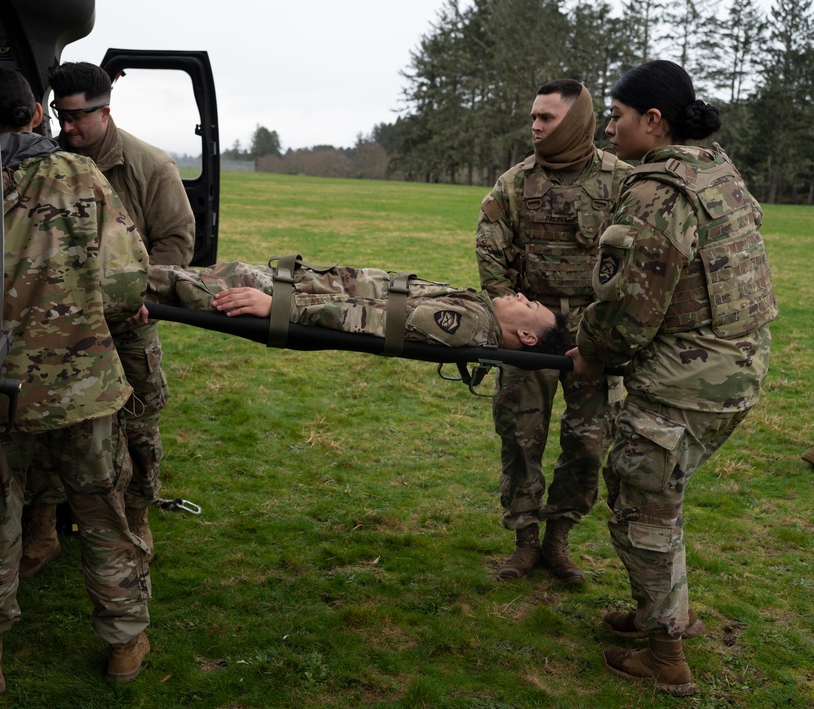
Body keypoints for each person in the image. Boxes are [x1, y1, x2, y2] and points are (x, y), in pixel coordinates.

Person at [568, 60, 777, 696]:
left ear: (653, 121)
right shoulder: (715, 169)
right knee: (660, 497)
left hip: (685, 384)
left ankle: (665, 657)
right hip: (737, 373)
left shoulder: (658, 190)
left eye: (617, 115)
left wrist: (591, 354)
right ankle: (655, 612)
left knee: (642, 510)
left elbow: (630, 309)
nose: (608, 126)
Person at [0, 67, 153, 695]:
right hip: (84, 390)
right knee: (102, 514)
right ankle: (125, 644)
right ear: (36, 115)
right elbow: (126, 286)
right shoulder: (82, 176)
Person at [17, 61, 197, 575]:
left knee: (139, 422)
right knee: (54, 421)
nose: (67, 129)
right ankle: (44, 528)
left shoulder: (150, 166)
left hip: (130, 318)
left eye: (77, 118)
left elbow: (176, 242)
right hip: (63, 324)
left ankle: (137, 516)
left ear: (106, 111)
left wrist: (139, 292)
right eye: (59, 116)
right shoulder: (46, 162)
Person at [475, 79, 631, 584]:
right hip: (532, 334)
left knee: (588, 443)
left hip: (595, 334)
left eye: (548, 118)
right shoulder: (514, 184)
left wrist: (609, 333)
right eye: (534, 118)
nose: (536, 127)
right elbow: (492, 260)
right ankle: (524, 542)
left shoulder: (622, 182)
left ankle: (559, 539)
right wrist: (515, 320)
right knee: (521, 436)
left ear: (580, 121)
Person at [145, 260, 570, 355]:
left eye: (530, 304)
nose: (520, 296)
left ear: (527, 336)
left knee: (190, 288)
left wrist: (277, 306)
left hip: (294, 295)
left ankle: (110, 283)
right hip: (307, 284)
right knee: (194, 279)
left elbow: (368, 319)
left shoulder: (468, 324)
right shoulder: (478, 309)